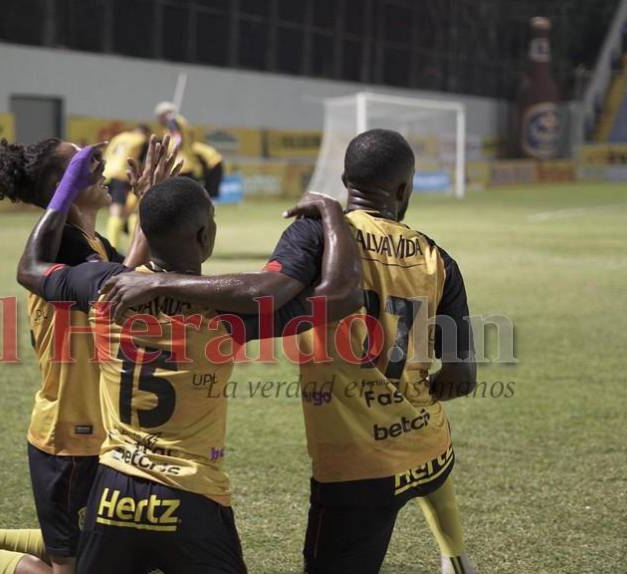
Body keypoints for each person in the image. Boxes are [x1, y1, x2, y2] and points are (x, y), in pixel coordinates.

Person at [98, 129, 478, 574]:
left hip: (356, 465)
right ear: (403, 189)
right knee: (430, 462)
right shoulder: (438, 258)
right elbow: (461, 378)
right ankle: (456, 558)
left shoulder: (316, 231)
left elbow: (269, 294)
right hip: (428, 443)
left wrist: (157, 278)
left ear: (343, 177)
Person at [19, 166, 361, 572]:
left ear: (143, 231)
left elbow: (30, 267)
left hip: (111, 497)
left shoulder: (104, 288)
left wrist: (63, 191)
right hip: (191, 497)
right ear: (205, 237)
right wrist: (333, 216)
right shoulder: (227, 312)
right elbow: (342, 294)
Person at [0, 135, 178, 574]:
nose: (99, 169)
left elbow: (135, 277)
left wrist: (151, 208)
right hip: (69, 436)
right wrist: (145, 209)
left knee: (109, 545)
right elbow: (121, 282)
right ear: (64, 183)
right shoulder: (60, 243)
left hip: (100, 428)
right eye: (84, 165)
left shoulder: (90, 240)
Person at [103, 124, 151, 251]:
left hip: (107, 173)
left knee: (117, 210)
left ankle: (113, 247)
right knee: (133, 211)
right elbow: (146, 161)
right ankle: (128, 247)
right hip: (122, 175)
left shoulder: (120, 137)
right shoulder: (141, 139)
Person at [154, 101, 202, 180]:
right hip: (189, 163)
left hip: (179, 165)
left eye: (159, 117)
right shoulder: (183, 122)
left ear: (162, 115)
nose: (159, 121)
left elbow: (178, 138)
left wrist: (172, 151)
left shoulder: (171, 121)